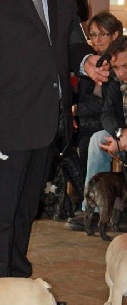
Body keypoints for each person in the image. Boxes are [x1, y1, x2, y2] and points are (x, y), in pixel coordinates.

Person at [0, 0, 109, 305]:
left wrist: (86, 60)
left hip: (45, 120)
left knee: (24, 211)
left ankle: (19, 297)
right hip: (4, 122)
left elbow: (69, 40)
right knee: (2, 215)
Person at [67, 35, 127, 232]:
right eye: (116, 68)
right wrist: (119, 134)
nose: (121, 72)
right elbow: (107, 114)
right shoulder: (115, 81)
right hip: (121, 133)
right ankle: (92, 211)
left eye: (125, 66)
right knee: (96, 139)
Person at [73, 12, 122, 182]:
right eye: (93, 35)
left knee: (91, 141)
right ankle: (69, 195)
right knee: (58, 136)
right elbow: (82, 96)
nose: (96, 40)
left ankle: (90, 202)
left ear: (115, 34)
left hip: (107, 122)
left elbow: (108, 104)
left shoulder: (118, 61)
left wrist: (75, 110)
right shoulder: (88, 61)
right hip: (88, 121)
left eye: (102, 34)